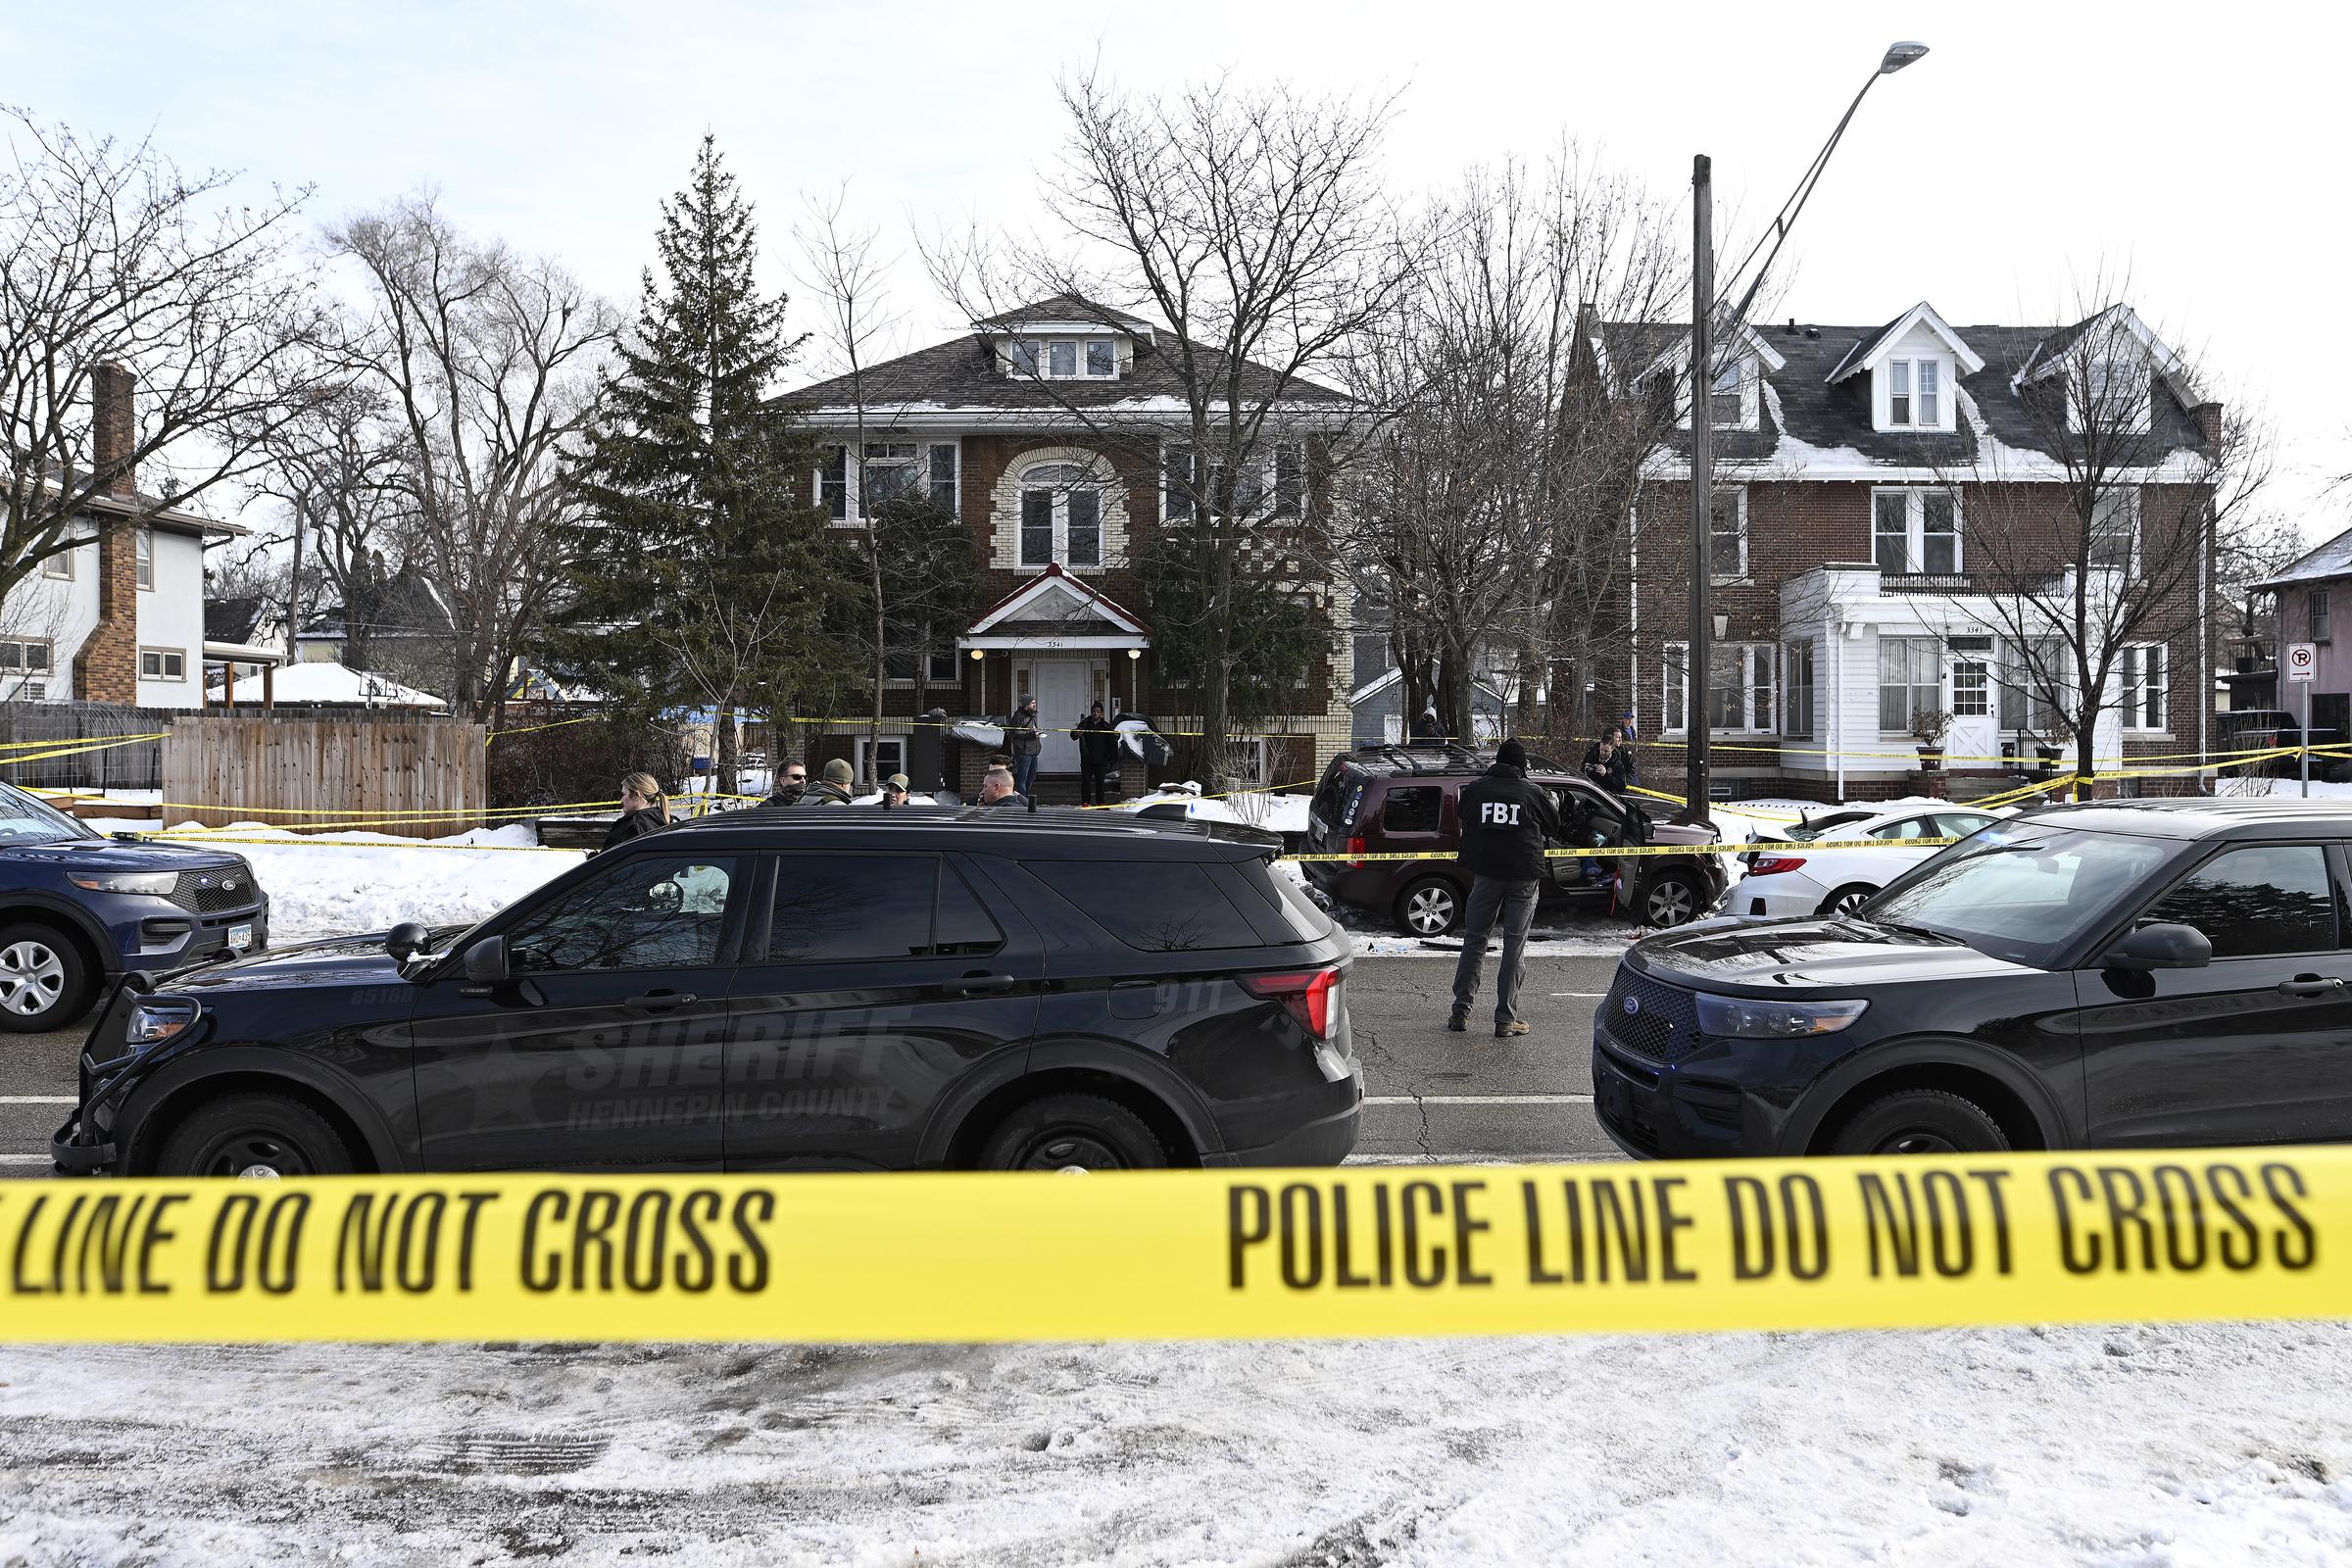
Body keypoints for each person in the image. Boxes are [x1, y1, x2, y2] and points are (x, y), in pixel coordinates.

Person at [1447, 738, 1563, 1039]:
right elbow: (1554, 825)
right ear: (1522, 766)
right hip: (1523, 877)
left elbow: (1465, 815)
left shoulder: (1476, 790)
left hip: (1486, 875)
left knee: (1474, 940)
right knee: (1514, 944)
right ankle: (1505, 1019)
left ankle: (1460, 1010)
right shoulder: (1532, 792)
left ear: (1497, 762)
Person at [602, 772, 672, 852]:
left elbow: (609, 860)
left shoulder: (631, 828)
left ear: (636, 795)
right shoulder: (662, 820)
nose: (621, 800)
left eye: (624, 794)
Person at [1074, 701, 1120, 806]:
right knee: (1086, 782)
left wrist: (1116, 736)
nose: (1095, 713)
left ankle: (1100, 802)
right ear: (1091, 712)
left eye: (1098, 712)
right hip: (1087, 759)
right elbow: (1074, 734)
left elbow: (1113, 739)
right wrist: (1076, 733)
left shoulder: (1105, 725)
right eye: (1094, 711)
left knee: (1100, 782)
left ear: (1101, 713)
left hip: (1101, 759)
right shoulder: (1085, 723)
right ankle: (1085, 802)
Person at [1004, 699, 1043, 800]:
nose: (1034, 705)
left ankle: (1024, 797)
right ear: (1026, 704)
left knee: (1032, 776)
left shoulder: (1032, 715)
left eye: (1034, 702)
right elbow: (1014, 733)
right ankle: (1023, 801)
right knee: (1022, 778)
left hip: (1033, 750)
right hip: (1023, 751)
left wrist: (1037, 733)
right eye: (1032, 703)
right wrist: (1031, 734)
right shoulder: (1018, 716)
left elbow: (1031, 729)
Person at [1583, 727, 1633, 794]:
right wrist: (1589, 770)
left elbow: (1621, 786)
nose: (1603, 753)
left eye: (1606, 751)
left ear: (1612, 749)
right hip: (1590, 794)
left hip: (1607, 798)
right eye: (1601, 750)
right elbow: (1582, 772)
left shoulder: (1617, 764)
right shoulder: (1592, 755)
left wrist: (1606, 775)